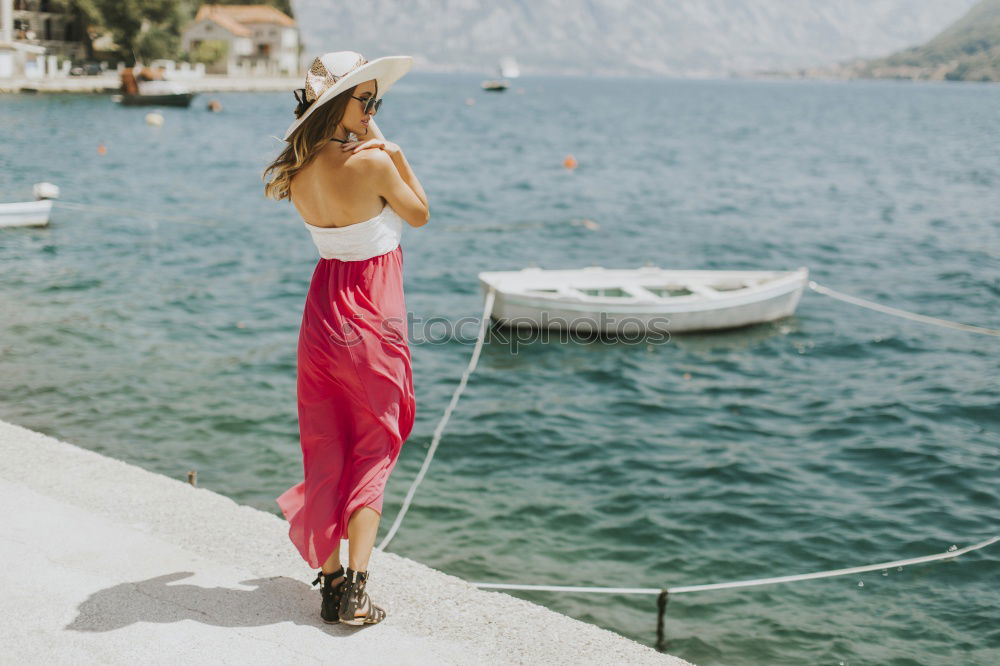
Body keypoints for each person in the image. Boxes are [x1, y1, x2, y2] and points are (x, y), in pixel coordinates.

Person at [261, 51, 428, 626]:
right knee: (374, 446)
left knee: (325, 444)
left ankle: (331, 586)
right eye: (368, 100)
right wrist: (396, 151)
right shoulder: (376, 165)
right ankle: (357, 590)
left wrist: (362, 119)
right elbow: (422, 213)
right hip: (370, 317)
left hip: (321, 313)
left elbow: (335, 141)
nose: (375, 111)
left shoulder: (297, 170)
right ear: (341, 102)